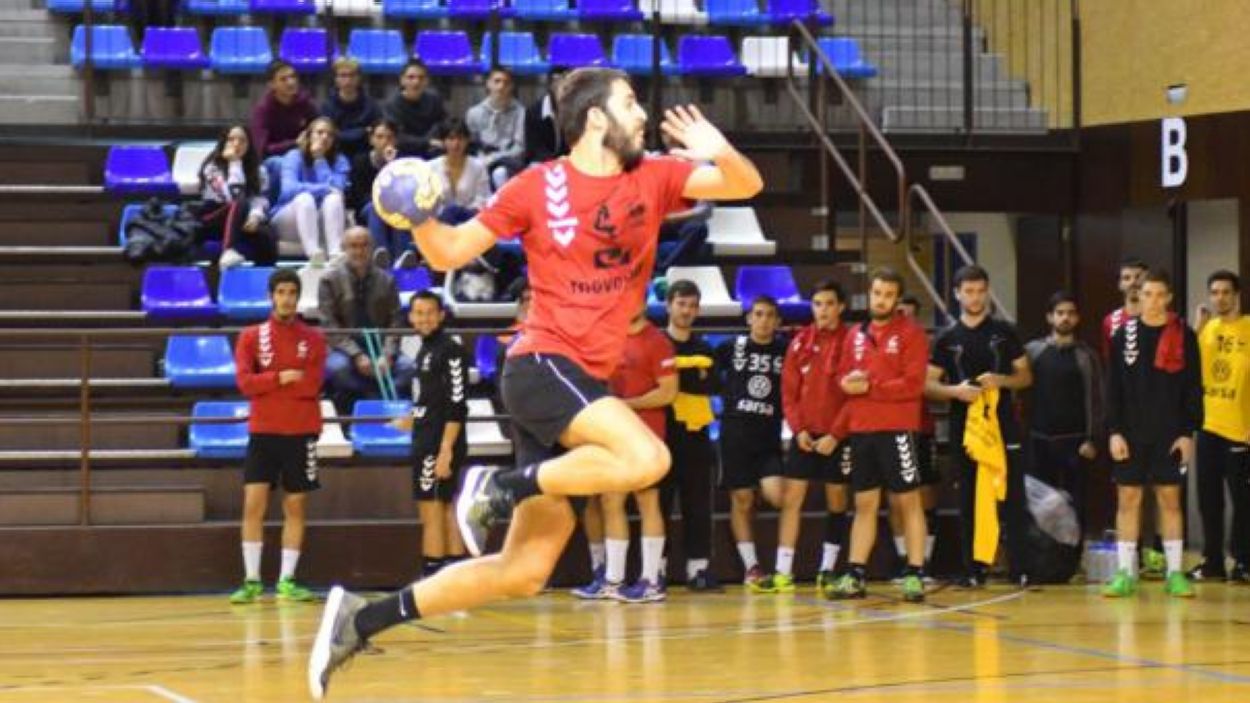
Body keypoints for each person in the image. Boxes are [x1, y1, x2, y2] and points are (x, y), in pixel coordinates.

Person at [309, 67, 762, 699]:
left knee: (524, 570)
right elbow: (448, 252)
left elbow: (746, 183)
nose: (641, 115)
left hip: (576, 384)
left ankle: (362, 618)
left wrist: (716, 147)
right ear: (595, 118)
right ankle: (501, 486)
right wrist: (415, 213)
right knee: (646, 457)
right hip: (543, 364)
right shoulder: (536, 184)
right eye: (629, 103)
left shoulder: (654, 176)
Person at [826, 268, 930, 602]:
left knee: (908, 501)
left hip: (898, 428)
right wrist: (847, 383)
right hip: (862, 430)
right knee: (864, 503)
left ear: (897, 299)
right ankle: (855, 573)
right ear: (868, 294)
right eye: (876, 293)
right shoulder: (854, 334)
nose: (880, 299)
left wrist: (870, 387)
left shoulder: (912, 334)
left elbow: (913, 385)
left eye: (887, 294)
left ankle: (915, 573)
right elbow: (841, 378)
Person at [926, 264, 1032, 588]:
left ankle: (1020, 567)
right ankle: (974, 569)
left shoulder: (1005, 332)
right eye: (968, 291)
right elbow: (928, 385)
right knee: (969, 499)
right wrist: (955, 391)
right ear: (957, 294)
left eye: (980, 290)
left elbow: (1025, 377)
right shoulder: (946, 339)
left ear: (987, 292)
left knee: (1012, 497)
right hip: (966, 430)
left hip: (1004, 427)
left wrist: (1001, 380)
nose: (975, 297)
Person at [229, 268, 326, 605]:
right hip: (263, 431)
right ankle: (252, 580)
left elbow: (311, 385)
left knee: (296, 506)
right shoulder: (251, 336)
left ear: (298, 297)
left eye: (291, 292)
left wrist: (267, 381)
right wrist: (279, 377)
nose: (286, 298)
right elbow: (244, 383)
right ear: (271, 296)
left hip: (302, 431)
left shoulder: (313, 338)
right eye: (281, 291)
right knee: (253, 504)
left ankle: (287, 579)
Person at [1103, 269, 1201, 598]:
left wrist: (1187, 432)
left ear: (1170, 298)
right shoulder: (1122, 336)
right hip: (1130, 433)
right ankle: (1124, 573)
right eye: (1148, 294)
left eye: (1161, 295)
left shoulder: (1184, 335)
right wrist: (1114, 431)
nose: (1154, 301)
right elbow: (1112, 389)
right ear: (1138, 297)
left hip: (1170, 433)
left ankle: (1175, 572)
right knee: (1128, 499)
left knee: (1169, 500)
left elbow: (1192, 388)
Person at [751, 280, 851, 595]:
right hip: (805, 437)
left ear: (841, 307)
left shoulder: (852, 342)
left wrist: (836, 435)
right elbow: (788, 393)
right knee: (792, 500)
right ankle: (783, 572)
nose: (822, 310)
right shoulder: (800, 342)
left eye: (829, 304)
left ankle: (827, 570)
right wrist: (799, 431)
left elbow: (855, 397)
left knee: (837, 502)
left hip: (838, 438)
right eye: (818, 303)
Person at [576, 304, 677, 602]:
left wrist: (627, 406)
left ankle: (650, 580)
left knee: (647, 501)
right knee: (611, 501)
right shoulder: (610, 337)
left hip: (646, 434)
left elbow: (668, 392)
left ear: (643, 303)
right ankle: (613, 579)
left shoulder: (657, 342)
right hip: (614, 434)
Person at [392, 291, 471, 578]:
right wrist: (411, 419)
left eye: (430, 312)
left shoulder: (450, 350)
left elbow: (456, 404)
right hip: (427, 437)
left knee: (432, 509)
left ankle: (432, 578)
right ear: (411, 317)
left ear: (441, 315)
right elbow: (431, 400)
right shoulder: (425, 350)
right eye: (418, 313)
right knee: (443, 506)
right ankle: (456, 580)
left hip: (438, 443)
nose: (424, 318)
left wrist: (446, 450)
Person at [715, 296, 787, 586]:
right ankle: (752, 567)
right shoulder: (731, 347)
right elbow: (707, 376)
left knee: (776, 496)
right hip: (735, 436)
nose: (764, 320)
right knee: (742, 500)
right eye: (758, 314)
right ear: (749, 319)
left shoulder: (786, 350)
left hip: (768, 437)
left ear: (778, 321)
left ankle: (784, 563)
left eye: (770, 315)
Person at [1024, 292, 1103, 537]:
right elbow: (1019, 394)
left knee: (1075, 501)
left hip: (1076, 441)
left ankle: (1073, 556)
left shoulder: (1087, 356)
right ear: (1050, 317)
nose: (1065, 318)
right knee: (1039, 502)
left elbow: (1097, 399)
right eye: (1060, 313)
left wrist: (1093, 439)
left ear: (1077, 318)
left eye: (1070, 313)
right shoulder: (1033, 352)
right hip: (1039, 439)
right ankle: (1041, 555)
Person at [1188, 270, 1250, 582]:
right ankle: (1211, 561)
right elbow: (1182, 363)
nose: (1220, 298)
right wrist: (1197, 327)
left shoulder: (1248, 328)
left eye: (1226, 292)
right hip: (1208, 426)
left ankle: (1242, 561)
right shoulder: (1206, 329)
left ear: (1236, 295)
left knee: (1242, 501)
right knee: (1208, 499)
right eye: (1215, 292)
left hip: (1240, 429)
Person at [660, 280, 721, 591]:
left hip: (696, 440)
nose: (686, 310)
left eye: (692, 305)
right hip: (661, 438)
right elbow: (657, 388)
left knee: (698, 506)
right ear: (669, 305)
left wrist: (676, 378)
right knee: (659, 506)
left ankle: (698, 570)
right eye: (681, 303)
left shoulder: (705, 348)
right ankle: (655, 570)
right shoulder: (656, 344)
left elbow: (706, 387)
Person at [318, 227, 414, 414]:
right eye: (353, 246)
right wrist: (357, 355)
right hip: (345, 349)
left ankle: (377, 401)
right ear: (344, 248)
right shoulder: (328, 280)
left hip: (380, 346)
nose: (359, 251)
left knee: (408, 368)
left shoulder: (387, 280)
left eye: (364, 246)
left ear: (371, 248)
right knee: (338, 369)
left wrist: (387, 354)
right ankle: (371, 398)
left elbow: (396, 322)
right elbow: (329, 325)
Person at [886, 294, 940, 575]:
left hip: (920, 429)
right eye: (899, 312)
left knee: (924, 495)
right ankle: (902, 558)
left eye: (908, 313)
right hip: (890, 429)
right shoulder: (883, 348)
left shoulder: (923, 348)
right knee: (896, 498)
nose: (903, 317)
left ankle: (925, 561)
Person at [195, 124, 277, 269]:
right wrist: (234, 163)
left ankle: (264, 279)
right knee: (240, 203)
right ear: (223, 143)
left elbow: (260, 199)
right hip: (214, 219)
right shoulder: (212, 168)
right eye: (231, 139)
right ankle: (228, 251)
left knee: (266, 234)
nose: (236, 144)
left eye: (242, 140)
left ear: (249, 145)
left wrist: (255, 216)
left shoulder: (259, 170)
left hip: (241, 220)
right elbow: (233, 197)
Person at [272, 117, 351, 264]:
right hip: (289, 218)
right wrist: (323, 188)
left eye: (330, 134)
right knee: (305, 198)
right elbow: (288, 190)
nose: (325, 137)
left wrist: (319, 160)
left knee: (334, 199)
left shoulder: (340, 161)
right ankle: (314, 254)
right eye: (320, 132)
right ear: (309, 136)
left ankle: (335, 254)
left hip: (323, 218)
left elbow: (338, 191)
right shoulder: (294, 156)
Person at [348, 118, 409, 266]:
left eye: (389, 137)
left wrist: (391, 166)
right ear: (371, 140)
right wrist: (382, 201)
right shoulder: (360, 161)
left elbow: (405, 194)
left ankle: (402, 259)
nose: (384, 141)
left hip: (395, 208)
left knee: (400, 210)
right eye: (380, 137)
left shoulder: (402, 163)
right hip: (368, 208)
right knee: (377, 208)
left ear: (395, 141)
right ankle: (380, 257)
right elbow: (358, 196)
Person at [465, 66, 527, 189]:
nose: (501, 86)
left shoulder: (521, 113)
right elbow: (470, 143)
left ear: (512, 87)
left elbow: (520, 147)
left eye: (506, 82)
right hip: (481, 158)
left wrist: (494, 158)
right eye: (497, 81)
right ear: (488, 84)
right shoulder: (474, 112)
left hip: (508, 160)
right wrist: (480, 157)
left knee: (500, 173)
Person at [250, 59, 318, 160]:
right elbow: (262, 149)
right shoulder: (263, 110)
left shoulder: (305, 102)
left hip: (304, 152)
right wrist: (294, 144)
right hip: (275, 158)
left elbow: (318, 126)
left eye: (293, 76)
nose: (291, 82)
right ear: (271, 85)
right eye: (283, 79)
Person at [429, 118, 492, 224]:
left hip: (471, 218)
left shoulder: (478, 166)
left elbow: (483, 197)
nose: (456, 144)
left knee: (454, 211)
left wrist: (462, 213)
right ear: (443, 141)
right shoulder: (431, 167)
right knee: (449, 212)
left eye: (461, 139)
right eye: (451, 138)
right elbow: (430, 201)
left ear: (467, 141)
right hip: (440, 220)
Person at [385, 59, 448, 159]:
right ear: (402, 80)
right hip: (405, 150)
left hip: (432, 148)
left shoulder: (435, 99)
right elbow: (397, 136)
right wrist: (426, 142)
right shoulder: (392, 104)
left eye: (421, 78)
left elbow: (442, 124)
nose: (416, 81)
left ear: (427, 81)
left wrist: (430, 141)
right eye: (411, 77)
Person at [322, 57, 381, 160]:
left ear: (359, 78)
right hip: (335, 152)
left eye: (352, 75)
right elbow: (329, 135)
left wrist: (341, 134)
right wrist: (362, 131)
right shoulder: (327, 106)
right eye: (343, 76)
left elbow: (375, 133)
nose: (348, 80)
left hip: (365, 153)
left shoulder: (371, 104)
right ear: (336, 79)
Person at [523, 69, 568, 164]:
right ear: (551, 86)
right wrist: (555, 161)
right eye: (563, 88)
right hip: (541, 161)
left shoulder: (574, 109)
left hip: (566, 161)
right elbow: (534, 149)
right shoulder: (534, 112)